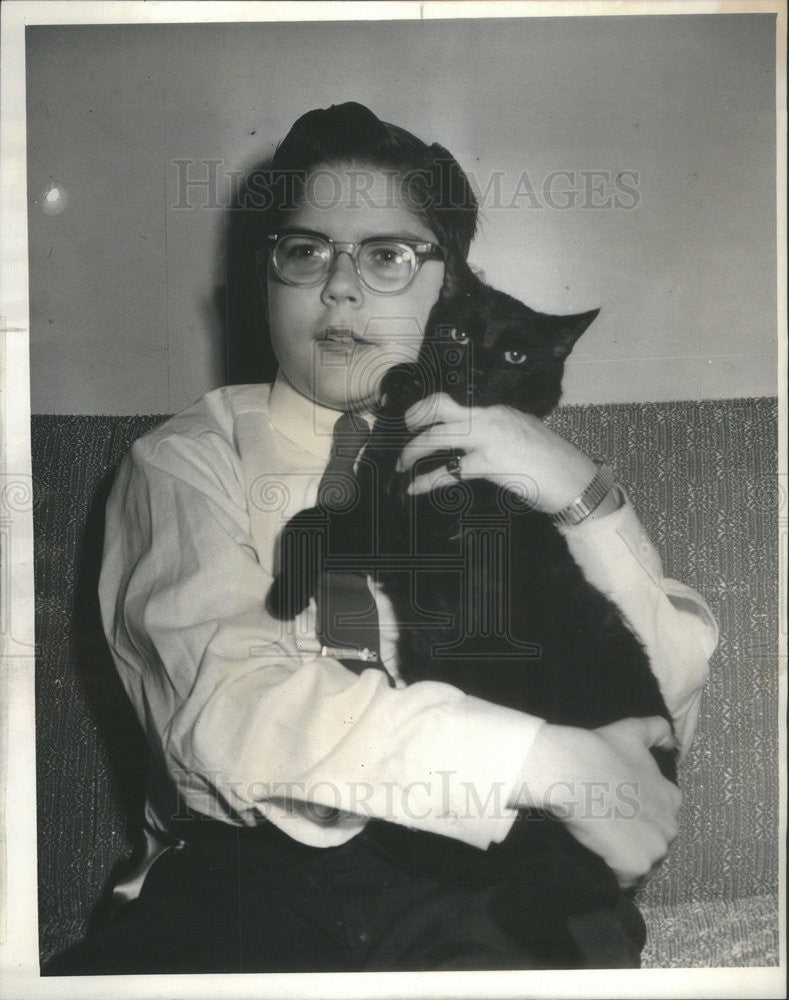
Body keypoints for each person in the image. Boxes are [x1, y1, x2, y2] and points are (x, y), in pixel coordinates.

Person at [45, 103, 716, 974]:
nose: (339, 287)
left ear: (454, 284)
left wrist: (586, 503)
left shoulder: (529, 457)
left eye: (388, 255)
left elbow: (654, 713)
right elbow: (226, 711)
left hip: (506, 871)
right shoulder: (185, 461)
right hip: (244, 874)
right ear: (264, 281)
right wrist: (544, 762)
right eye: (304, 251)